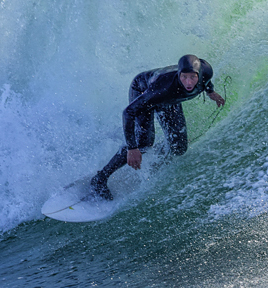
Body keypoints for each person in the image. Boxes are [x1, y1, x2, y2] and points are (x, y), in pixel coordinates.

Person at [90, 54, 225, 200]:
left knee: (179, 147)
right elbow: (128, 113)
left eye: (193, 77)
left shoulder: (206, 70)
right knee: (144, 143)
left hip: (168, 99)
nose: (188, 82)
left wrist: (211, 92)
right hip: (143, 90)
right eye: (184, 77)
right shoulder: (163, 88)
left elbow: (206, 81)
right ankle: (100, 179)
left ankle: (156, 158)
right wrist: (132, 148)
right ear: (178, 74)